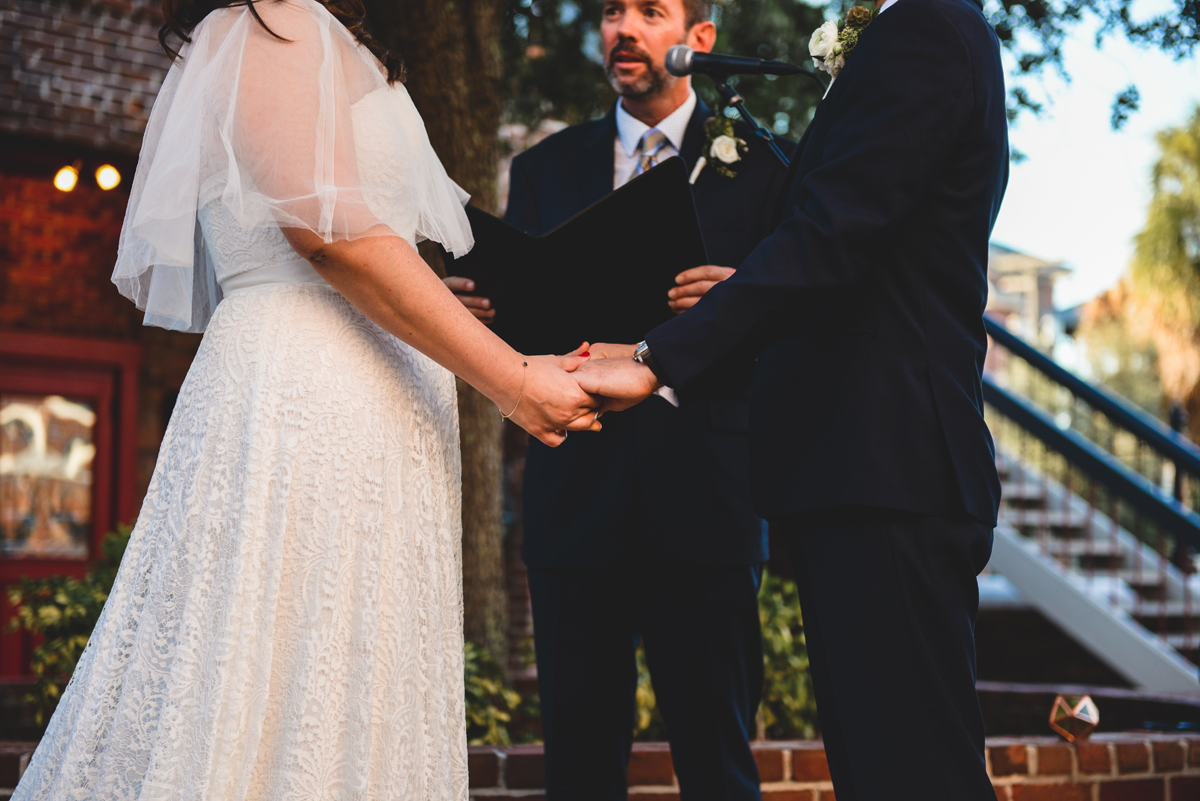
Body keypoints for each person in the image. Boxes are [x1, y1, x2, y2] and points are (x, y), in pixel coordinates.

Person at [13, 1, 601, 799]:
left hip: (372, 406)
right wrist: (510, 379)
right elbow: (331, 235)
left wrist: (513, 355)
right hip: (308, 401)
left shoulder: (322, 32)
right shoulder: (272, 20)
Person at [576, 1, 1008, 799]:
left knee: (913, 776)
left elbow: (831, 236)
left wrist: (656, 358)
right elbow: (860, 263)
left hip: (887, 470)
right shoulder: (927, 34)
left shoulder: (925, 29)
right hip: (860, 473)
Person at [444, 1, 792, 798]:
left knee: (718, 760)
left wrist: (749, 300)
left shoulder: (768, 166)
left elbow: (803, 331)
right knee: (579, 765)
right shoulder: (545, 168)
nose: (622, 28)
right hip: (576, 495)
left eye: (650, 11)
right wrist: (481, 314)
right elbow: (522, 334)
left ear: (699, 39)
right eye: (610, 12)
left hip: (709, 495)